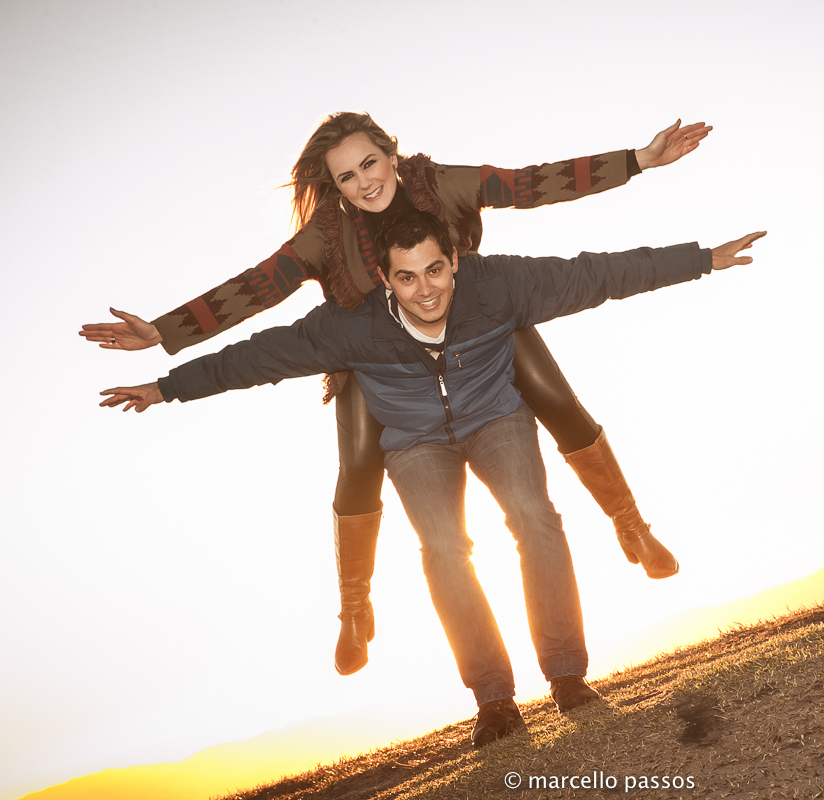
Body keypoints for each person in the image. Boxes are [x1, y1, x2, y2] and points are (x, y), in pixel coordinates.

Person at [79, 112, 712, 677]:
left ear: (391, 154)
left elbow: (528, 184)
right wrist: (163, 333)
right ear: (335, 186)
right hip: (370, 354)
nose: (364, 183)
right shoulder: (326, 235)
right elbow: (257, 288)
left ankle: (631, 526)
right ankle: (356, 609)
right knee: (359, 464)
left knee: (555, 400)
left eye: (369, 164)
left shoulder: (441, 185)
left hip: (476, 328)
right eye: (346, 177)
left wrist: (639, 160)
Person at [100, 211, 766, 747]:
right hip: (415, 444)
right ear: (386, 280)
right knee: (444, 548)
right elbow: (257, 357)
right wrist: (165, 388)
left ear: (454, 261)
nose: (426, 290)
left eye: (436, 270)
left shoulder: (498, 286)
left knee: (534, 515)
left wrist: (701, 259)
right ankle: (494, 700)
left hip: (496, 417)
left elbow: (595, 274)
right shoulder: (351, 327)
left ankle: (567, 677)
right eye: (407, 277)